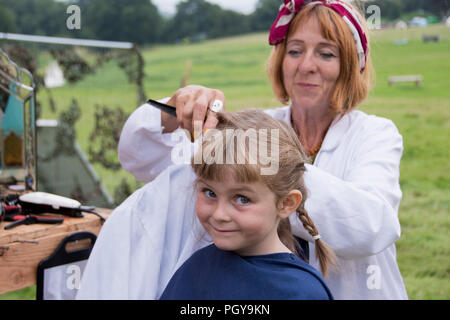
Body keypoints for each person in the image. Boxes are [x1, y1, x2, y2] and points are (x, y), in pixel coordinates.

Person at [80, 0, 408, 300]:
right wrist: (174, 107)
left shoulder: (374, 134)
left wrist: (267, 163)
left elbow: (371, 226)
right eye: (295, 51)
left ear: (350, 66)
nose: (306, 65)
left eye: (326, 53)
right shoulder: (259, 127)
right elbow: (140, 156)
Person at [160, 109, 334, 300]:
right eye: (210, 193)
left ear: (286, 203)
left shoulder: (301, 292)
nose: (219, 214)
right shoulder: (194, 271)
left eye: (242, 199)